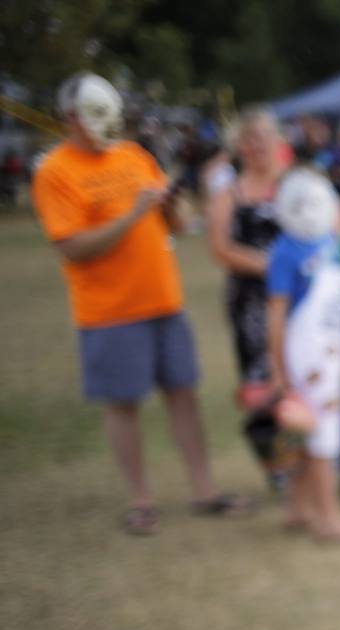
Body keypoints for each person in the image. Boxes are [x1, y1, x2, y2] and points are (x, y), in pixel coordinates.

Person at [31, 72, 252, 536]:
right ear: (70, 117)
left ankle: (204, 490)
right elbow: (72, 247)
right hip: (110, 310)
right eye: (95, 115)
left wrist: (171, 207)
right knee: (123, 404)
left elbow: (178, 225)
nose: (107, 126)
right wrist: (132, 214)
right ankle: (141, 500)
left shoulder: (135, 155)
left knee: (183, 394)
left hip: (163, 301)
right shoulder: (55, 171)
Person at [265, 169, 340, 543]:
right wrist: (277, 369)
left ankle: (298, 508)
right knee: (321, 432)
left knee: (304, 429)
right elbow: (275, 314)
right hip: (307, 355)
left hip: (329, 350)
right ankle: (328, 518)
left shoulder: (329, 240)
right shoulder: (285, 251)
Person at [206, 106, 288, 482]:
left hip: (296, 300)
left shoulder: (296, 184)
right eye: (249, 139)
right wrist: (269, 266)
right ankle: (277, 466)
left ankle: (313, 461)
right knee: (261, 381)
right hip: (252, 304)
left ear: (277, 140)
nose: (257, 146)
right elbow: (220, 247)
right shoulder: (229, 194)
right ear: (239, 146)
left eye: (264, 137)